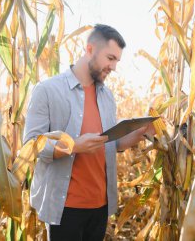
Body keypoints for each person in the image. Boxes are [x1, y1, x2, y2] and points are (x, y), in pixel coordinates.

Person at [23, 24, 155, 241]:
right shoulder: (47, 90)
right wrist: (73, 146)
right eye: (110, 58)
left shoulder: (107, 96)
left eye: (116, 61)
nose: (113, 67)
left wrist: (140, 133)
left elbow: (110, 144)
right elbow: (30, 146)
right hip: (65, 208)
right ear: (90, 49)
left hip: (100, 206)